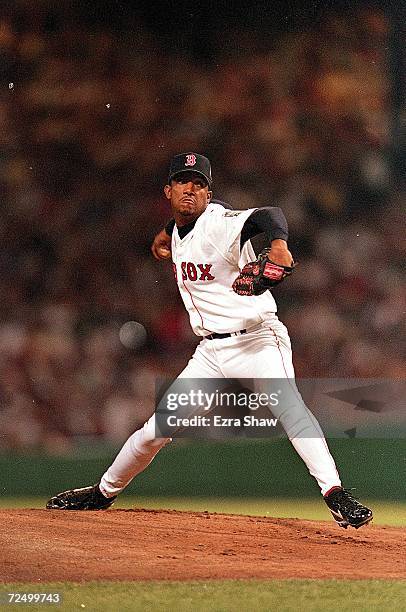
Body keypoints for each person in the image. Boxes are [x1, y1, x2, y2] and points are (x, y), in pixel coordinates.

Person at [47, 152, 373, 529]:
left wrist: (279, 245)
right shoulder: (179, 230)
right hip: (211, 355)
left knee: (290, 407)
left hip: (258, 341)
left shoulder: (217, 222)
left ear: (209, 193)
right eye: (183, 181)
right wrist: (165, 232)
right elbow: (181, 227)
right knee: (155, 432)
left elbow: (270, 215)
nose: (191, 188)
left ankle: (335, 494)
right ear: (167, 191)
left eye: (199, 183)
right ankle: (102, 493)